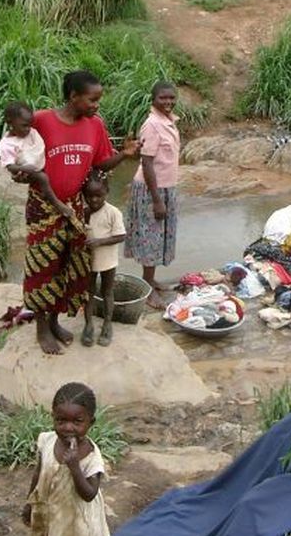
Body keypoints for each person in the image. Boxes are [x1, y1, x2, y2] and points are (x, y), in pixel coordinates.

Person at [13, 70, 139, 355]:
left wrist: (125, 155)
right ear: (73, 96)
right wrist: (18, 171)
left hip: (75, 208)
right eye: (92, 99)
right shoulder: (42, 121)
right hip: (43, 205)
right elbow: (19, 151)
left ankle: (56, 321)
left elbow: (102, 163)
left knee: (69, 266)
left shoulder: (95, 125)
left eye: (98, 100)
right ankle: (42, 328)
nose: (97, 105)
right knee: (42, 266)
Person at [22, 382, 110, 536]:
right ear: (53, 417)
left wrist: (75, 467)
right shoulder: (47, 441)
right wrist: (30, 504)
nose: (68, 428)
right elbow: (39, 472)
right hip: (52, 514)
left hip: (78, 523)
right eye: (61, 421)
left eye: (77, 422)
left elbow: (89, 494)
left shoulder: (92, 457)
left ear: (90, 422)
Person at [125, 82, 180, 310]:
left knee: (159, 238)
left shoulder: (169, 122)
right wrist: (157, 199)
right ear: (153, 99)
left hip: (166, 187)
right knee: (151, 239)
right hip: (152, 190)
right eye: (162, 98)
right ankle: (147, 288)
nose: (167, 102)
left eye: (171, 98)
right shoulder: (152, 125)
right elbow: (146, 163)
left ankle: (151, 279)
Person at [0, 101, 76, 223]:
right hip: (24, 169)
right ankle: (57, 203)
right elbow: (10, 166)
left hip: (35, 164)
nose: (28, 129)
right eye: (24, 125)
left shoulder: (30, 133)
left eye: (30, 125)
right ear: (10, 123)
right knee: (42, 178)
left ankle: (46, 192)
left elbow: (39, 149)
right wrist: (24, 169)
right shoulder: (7, 144)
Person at [82, 172, 125, 348]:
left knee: (107, 291)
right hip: (89, 261)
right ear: (84, 196)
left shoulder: (113, 212)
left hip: (107, 260)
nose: (94, 200)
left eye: (98, 196)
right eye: (89, 196)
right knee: (89, 292)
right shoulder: (84, 213)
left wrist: (99, 242)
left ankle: (107, 324)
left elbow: (120, 235)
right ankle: (88, 325)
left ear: (107, 192)